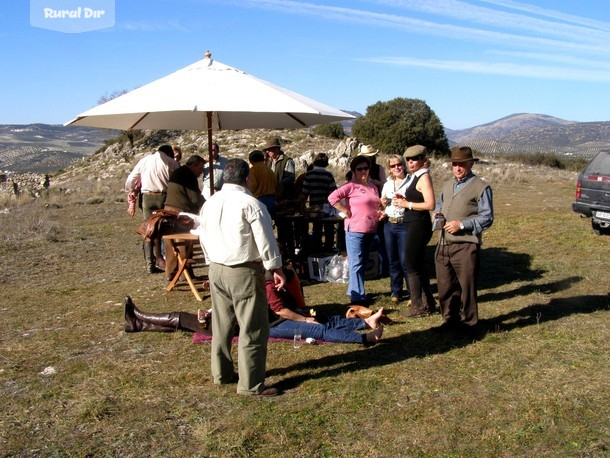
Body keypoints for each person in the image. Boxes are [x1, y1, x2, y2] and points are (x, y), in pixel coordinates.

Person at [199, 158, 285, 397]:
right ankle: (250, 384)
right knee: (252, 326)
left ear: (225, 178)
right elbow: (265, 240)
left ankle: (221, 373)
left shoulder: (209, 203)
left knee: (222, 324)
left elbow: (202, 235)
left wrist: (209, 261)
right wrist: (275, 267)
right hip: (243, 269)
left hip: (216, 268)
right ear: (247, 178)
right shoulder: (251, 204)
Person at [122, 266, 385, 344]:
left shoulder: (262, 280)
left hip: (250, 320)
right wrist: (210, 312)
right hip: (247, 324)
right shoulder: (261, 282)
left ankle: (137, 323)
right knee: (181, 318)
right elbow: (231, 306)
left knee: (322, 321)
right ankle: (365, 338)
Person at [434, 146, 494, 332]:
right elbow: (439, 205)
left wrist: (461, 225)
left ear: (470, 164)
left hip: (466, 245)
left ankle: (469, 324)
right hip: (443, 243)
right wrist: (437, 214)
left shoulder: (481, 187)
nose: (458, 168)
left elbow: (487, 217)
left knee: (467, 288)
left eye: (462, 164)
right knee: (444, 287)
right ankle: (449, 321)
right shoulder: (447, 185)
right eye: (455, 164)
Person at [328, 155, 382, 305]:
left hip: (370, 229)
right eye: (360, 169)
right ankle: (358, 298)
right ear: (354, 171)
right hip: (355, 229)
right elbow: (332, 198)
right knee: (356, 263)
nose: (363, 171)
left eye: (366, 168)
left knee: (362, 262)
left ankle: (353, 289)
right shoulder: (350, 186)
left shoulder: (372, 187)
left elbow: (374, 204)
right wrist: (344, 210)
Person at [394, 145, 436, 316]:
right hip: (413, 223)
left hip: (419, 225)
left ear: (423, 159)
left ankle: (418, 306)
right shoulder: (415, 176)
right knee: (417, 264)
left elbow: (430, 204)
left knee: (411, 264)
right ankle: (428, 303)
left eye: (414, 159)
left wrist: (407, 204)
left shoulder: (423, 177)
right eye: (408, 159)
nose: (410, 162)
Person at [125, 144, 179, 273]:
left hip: (147, 197)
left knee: (149, 230)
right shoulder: (170, 162)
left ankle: (150, 264)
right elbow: (178, 179)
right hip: (164, 197)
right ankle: (169, 262)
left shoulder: (145, 160)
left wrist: (131, 190)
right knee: (166, 230)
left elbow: (131, 179)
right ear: (170, 153)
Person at [163, 155, 206, 280]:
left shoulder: (179, 172)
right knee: (183, 244)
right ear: (194, 165)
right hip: (179, 212)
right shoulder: (188, 175)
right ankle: (184, 274)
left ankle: (171, 273)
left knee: (171, 245)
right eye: (200, 168)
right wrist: (207, 206)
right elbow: (194, 198)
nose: (201, 172)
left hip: (168, 210)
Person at [380, 154, 410, 304]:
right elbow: (383, 206)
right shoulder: (387, 184)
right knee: (392, 260)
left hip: (404, 223)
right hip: (389, 224)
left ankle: (412, 292)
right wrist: (382, 203)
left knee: (406, 260)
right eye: (393, 166)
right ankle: (396, 291)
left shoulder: (410, 182)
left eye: (399, 164)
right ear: (389, 169)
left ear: (403, 165)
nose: (397, 168)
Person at [264, 137, 297, 257]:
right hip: (274, 198)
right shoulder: (268, 162)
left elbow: (290, 178)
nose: (268, 152)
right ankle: (282, 252)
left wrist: (277, 183)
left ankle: (290, 253)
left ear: (277, 149)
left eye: (270, 149)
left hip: (285, 198)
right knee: (278, 226)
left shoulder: (287, 161)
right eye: (267, 150)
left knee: (286, 228)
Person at [301, 153, 338, 251]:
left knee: (316, 229)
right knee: (329, 229)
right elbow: (333, 193)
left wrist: (303, 208)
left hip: (314, 207)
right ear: (326, 164)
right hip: (326, 207)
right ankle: (328, 249)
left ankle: (316, 250)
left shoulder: (309, 175)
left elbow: (304, 193)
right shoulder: (329, 175)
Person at [248, 149, 279, 216]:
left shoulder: (253, 171)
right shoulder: (270, 171)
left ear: (251, 161)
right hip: (271, 201)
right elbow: (276, 185)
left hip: (259, 202)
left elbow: (252, 187)